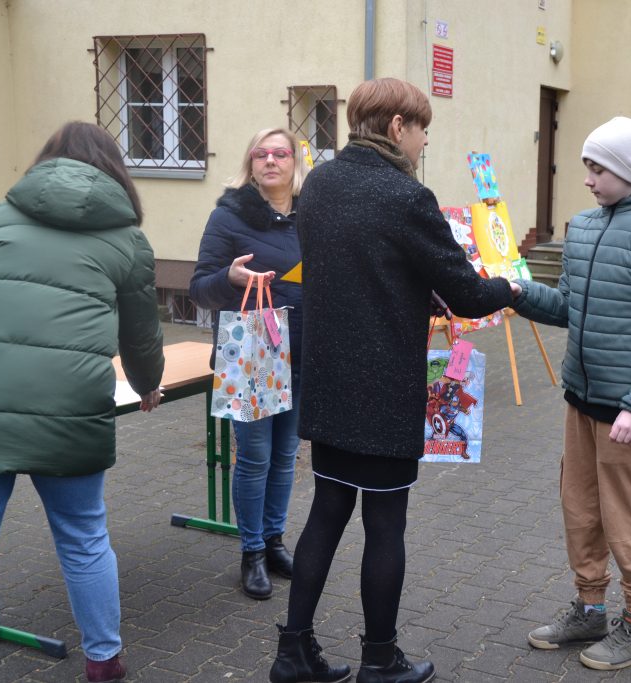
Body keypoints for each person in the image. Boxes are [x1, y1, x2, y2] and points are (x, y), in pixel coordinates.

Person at [269, 78, 512, 683]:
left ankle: (292, 652)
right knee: (384, 524)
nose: (424, 141)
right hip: (381, 389)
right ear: (398, 127)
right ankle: (380, 658)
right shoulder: (406, 196)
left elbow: (360, 267)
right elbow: (467, 292)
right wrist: (510, 287)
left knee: (326, 512)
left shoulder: (318, 182)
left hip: (327, 384)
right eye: (422, 128)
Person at [0, 121, 164, 682]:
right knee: (84, 537)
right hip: (71, 404)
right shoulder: (127, 238)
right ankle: (104, 660)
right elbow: (141, 332)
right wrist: (147, 380)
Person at [510, 116, 631, 671]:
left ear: (627, 170)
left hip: (625, 412)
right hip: (580, 401)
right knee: (581, 510)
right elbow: (569, 307)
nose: (589, 179)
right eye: (587, 168)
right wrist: (519, 294)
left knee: (626, 518)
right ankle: (590, 609)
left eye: (597, 169)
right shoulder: (586, 227)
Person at [189, 128, 308, 600]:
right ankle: (252, 551)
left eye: (281, 153)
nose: (271, 161)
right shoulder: (229, 215)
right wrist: (230, 278)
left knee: (286, 457)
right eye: (261, 153)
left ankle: (276, 541)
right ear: (250, 162)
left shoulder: (312, 215)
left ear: (295, 161)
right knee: (255, 458)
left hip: (302, 352)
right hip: (252, 358)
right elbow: (200, 287)